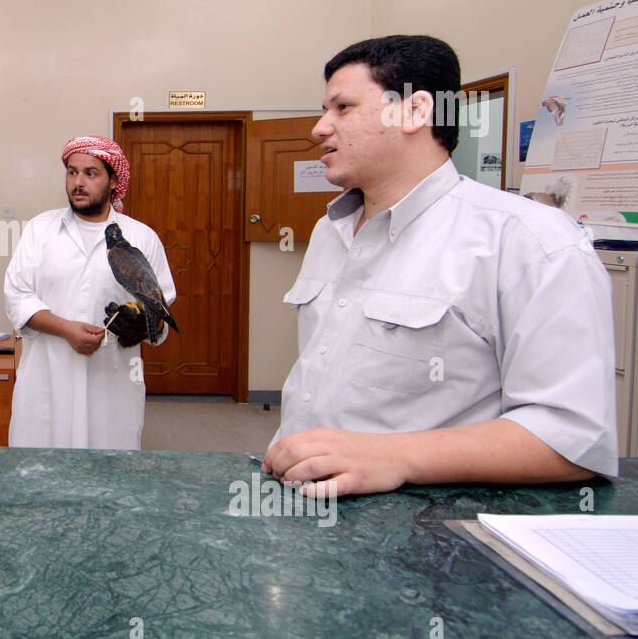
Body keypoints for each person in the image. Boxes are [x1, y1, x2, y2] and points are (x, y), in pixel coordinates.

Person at [265, 35, 618, 497]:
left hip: (429, 530)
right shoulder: (332, 232)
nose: (319, 128)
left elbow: (572, 436)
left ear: (415, 111)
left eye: (342, 107)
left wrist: (393, 457)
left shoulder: (529, 241)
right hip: (304, 500)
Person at [4, 136, 176, 449]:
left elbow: (160, 311)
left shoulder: (140, 237)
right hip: (48, 376)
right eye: (72, 172)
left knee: (110, 476)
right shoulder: (40, 230)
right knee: (40, 475)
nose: (78, 182)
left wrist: (142, 326)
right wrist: (66, 329)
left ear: (113, 181)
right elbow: (17, 296)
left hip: (111, 382)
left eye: (90, 174)